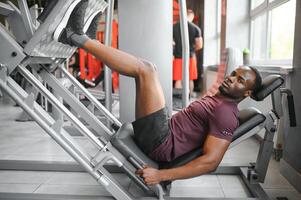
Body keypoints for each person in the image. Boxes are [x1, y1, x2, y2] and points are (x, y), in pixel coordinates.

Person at [55, 1, 262, 186]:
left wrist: (162, 176)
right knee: (147, 70)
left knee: (146, 70)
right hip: (165, 130)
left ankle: (75, 36)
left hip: (161, 142)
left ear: (248, 92)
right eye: (233, 74)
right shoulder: (220, 100)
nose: (231, 78)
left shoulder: (226, 114)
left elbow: (210, 162)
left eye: (239, 81)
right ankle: (87, 40)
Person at [173, 9, 203, 94]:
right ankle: (189, 99)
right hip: (190, 56)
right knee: (190, 79)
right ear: (192, 16)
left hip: (178, 57)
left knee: (178, 80)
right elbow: (200, 45)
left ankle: (178, 100)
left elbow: (171, 43)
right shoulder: (196, 28)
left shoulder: (174, 27)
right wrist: (192, 49)